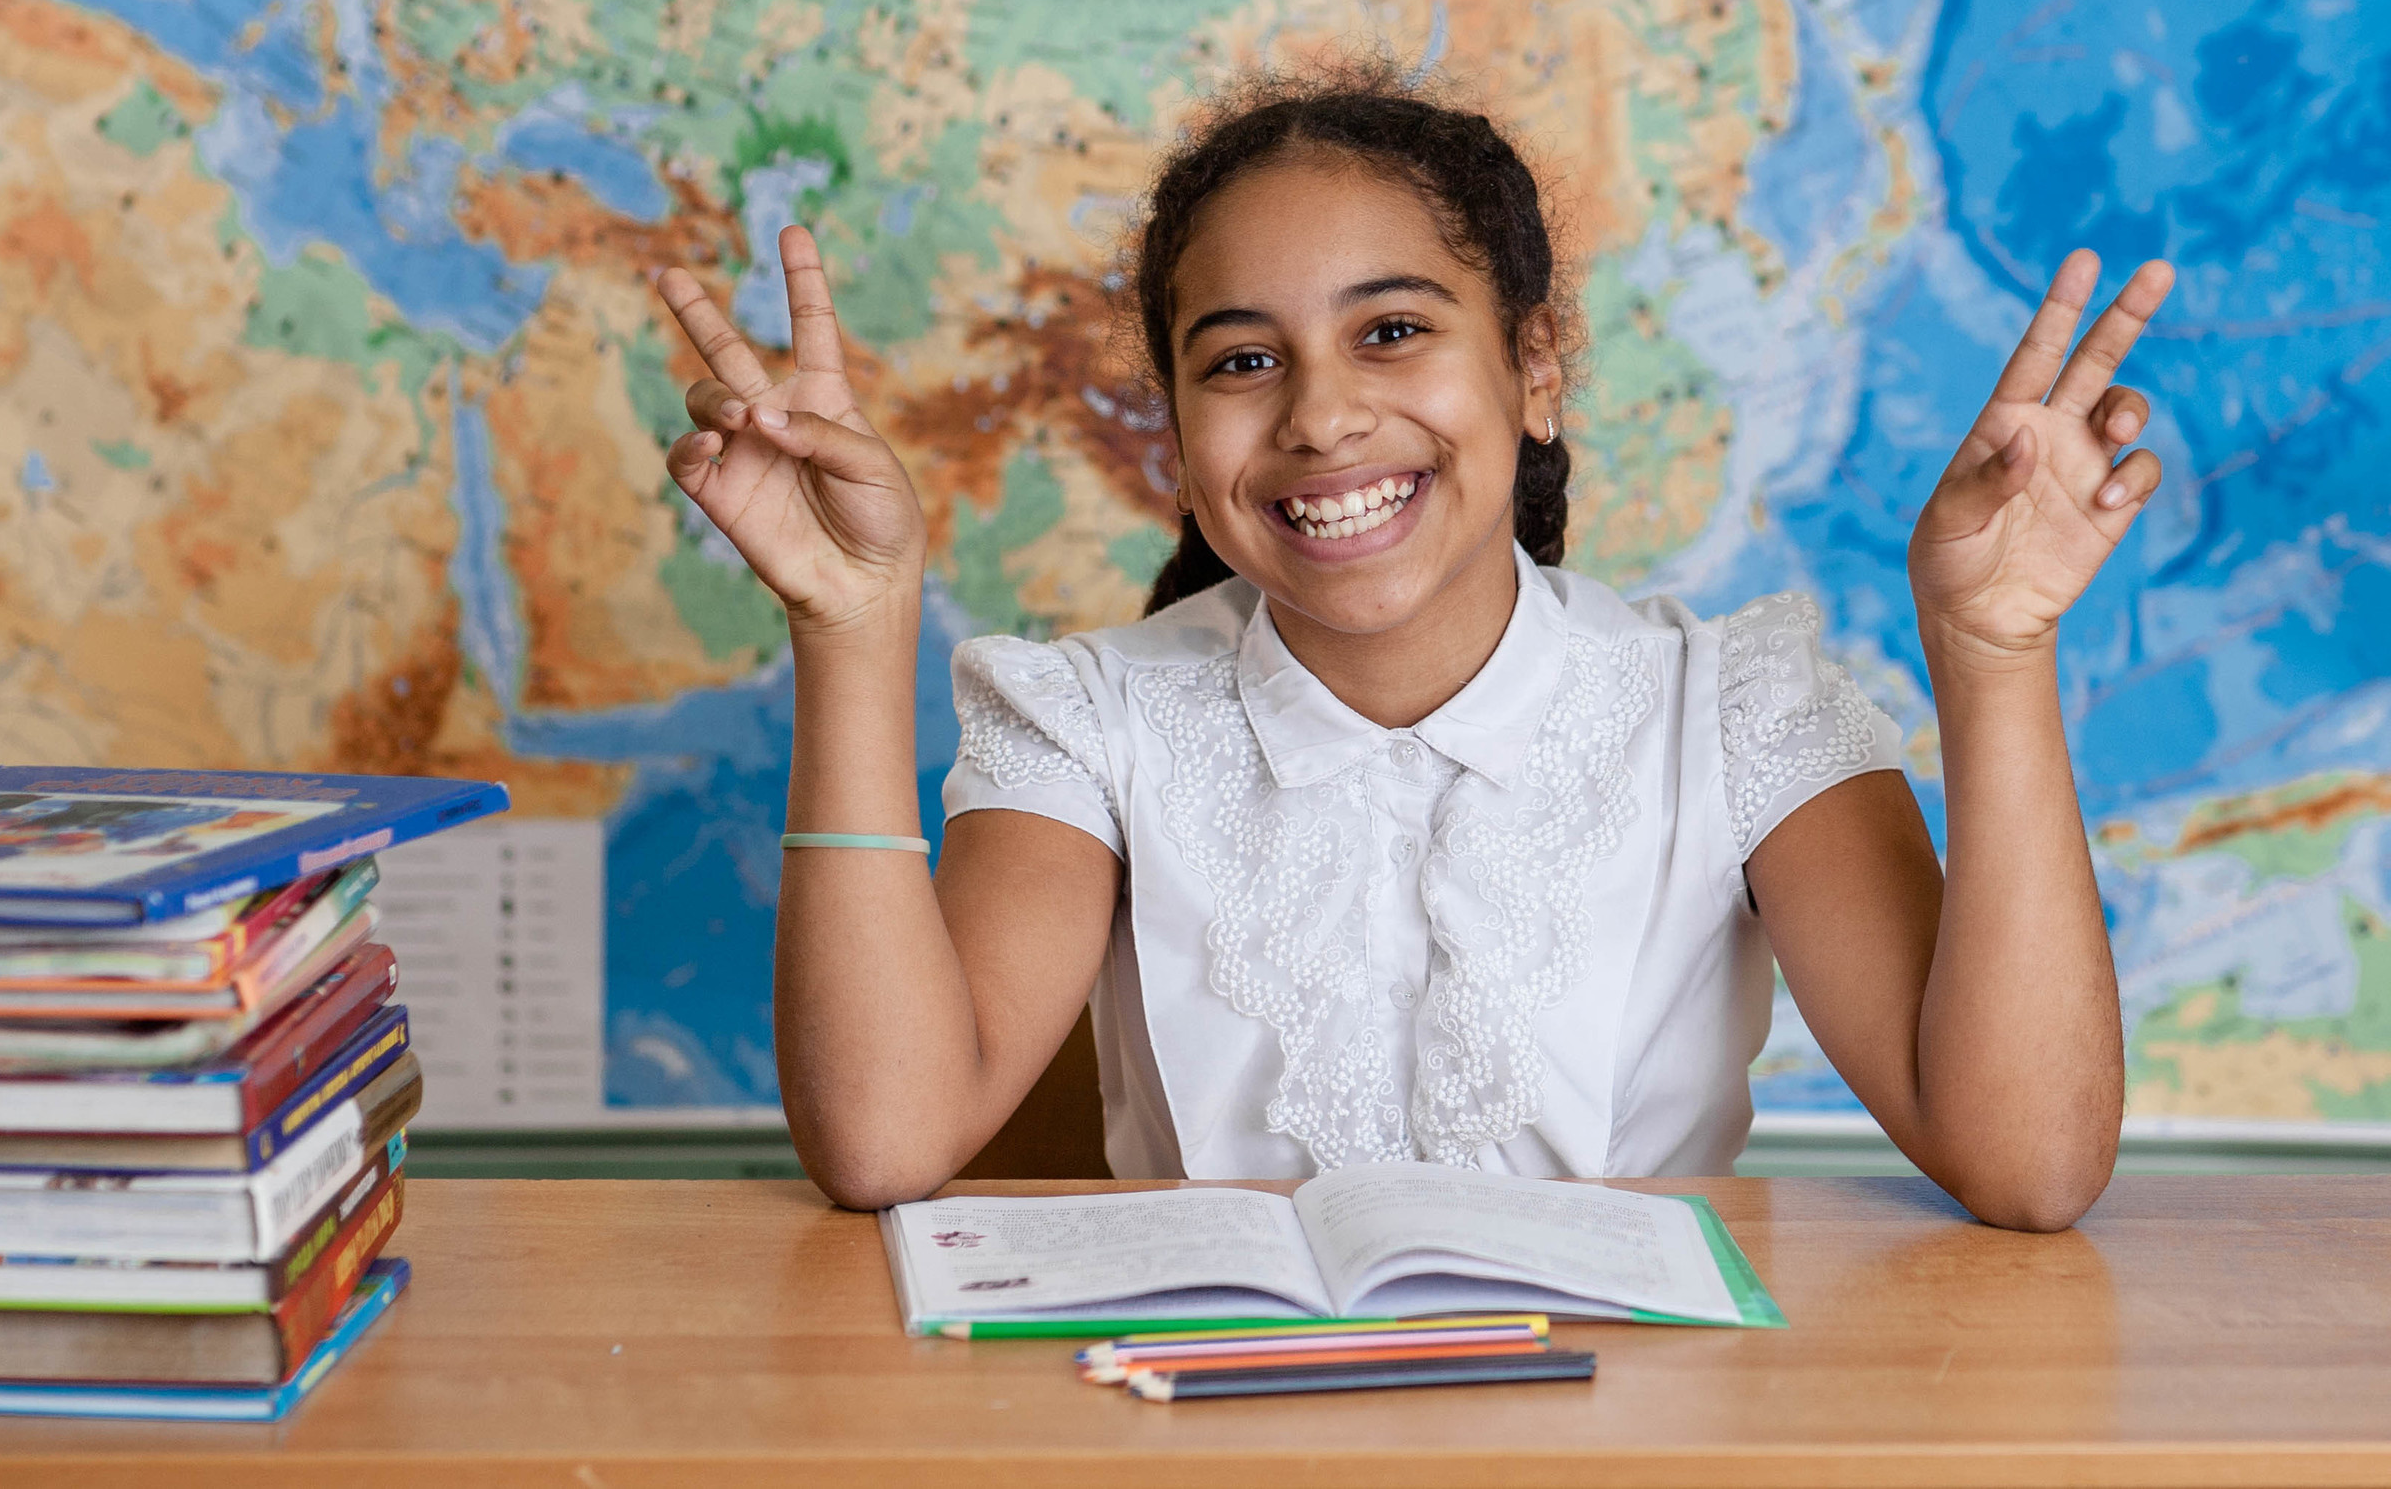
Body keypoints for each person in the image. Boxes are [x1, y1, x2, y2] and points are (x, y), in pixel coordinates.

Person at [655, 66, 2172, 1231]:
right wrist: (854, 628)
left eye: (1392, 332)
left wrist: (1992, 649)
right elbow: (884, 1144)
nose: (1319, 415)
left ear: (1533, 366)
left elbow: (2029, 1167)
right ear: (1179, 445)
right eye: (1243, 362)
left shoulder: (1733, 708)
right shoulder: (1088, 721)